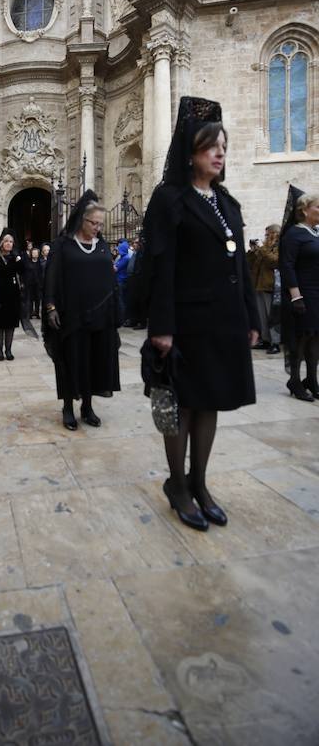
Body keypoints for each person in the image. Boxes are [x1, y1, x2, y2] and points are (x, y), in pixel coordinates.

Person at [142, 96, 260, 531]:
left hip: (222, 323)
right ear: (191, 152)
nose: (220, 153)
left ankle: (200, 481)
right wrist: (162, 327)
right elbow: (160, 266)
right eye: (212, 146)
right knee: (183, 407)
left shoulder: (227, 203)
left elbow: (240, 266)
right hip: (185, 323)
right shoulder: (170, 199)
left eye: (224, 147)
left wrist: (251, 317)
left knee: (209, 403)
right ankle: (177, 484)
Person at [42, 191, 121, 430]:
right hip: (71, 315)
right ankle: (68, 407)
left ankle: (87, 406)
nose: (97, 227)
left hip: (100, 314)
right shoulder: (63, 244)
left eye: (100, 224)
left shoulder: (102, 244)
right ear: (81, 220)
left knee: (94, 360)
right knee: (71, 360)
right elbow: (51, 278)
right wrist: (50, 307)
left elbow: (109, 275)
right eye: (94, 223)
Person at [279, 189, 319, 400]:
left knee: (316, 338)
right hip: (303, 293)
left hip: (318, 293)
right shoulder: (294, 233)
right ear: (304, 210)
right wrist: (296, 296)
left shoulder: (317, 232)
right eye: (318, 206)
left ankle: (312, 379)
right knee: (301, 338)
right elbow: (286, 265)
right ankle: (295, 380)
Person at [0, 229, 24, 361]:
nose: (9, 243)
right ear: (1, 243)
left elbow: (23, 272)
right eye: (6, 241)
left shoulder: (15, 257)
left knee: (10, 324)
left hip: (13, 295)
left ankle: (8, 350)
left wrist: (20, 260)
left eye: (11, 242)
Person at [248, 224, 281, 353]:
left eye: (268, 234)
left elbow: (274, 262)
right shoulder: (265, 248)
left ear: (275, 234)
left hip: (272, 286)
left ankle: (275, 342)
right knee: (262, 316)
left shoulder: (280, 246)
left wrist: (261, 250)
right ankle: (266, 340)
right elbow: (250, 262)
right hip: (259, 285)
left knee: (272, 316)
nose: (266, 237)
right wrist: (253, 250)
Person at [23, 246, 43, 318]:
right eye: (33, 253)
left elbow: (41, 274)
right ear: (31, 254)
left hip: (38, 284)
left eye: (36, 253)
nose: (35, 254)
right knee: (30, 299)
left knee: (38, 299)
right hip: (30, 284)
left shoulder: (40, 262)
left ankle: (37, 313)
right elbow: (25, 273)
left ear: (38, 254)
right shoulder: (28, 262)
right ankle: (30, 313)